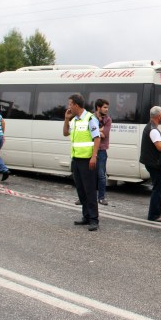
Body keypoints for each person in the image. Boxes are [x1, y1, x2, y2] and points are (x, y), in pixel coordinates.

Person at [63, 94, 101, 232]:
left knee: (90, 190)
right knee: (81, 189)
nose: (69, 107)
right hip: (76, 159)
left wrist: (94, 157)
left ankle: (94, 219)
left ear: (76, 105)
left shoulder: (90, 118)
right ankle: (86, 216)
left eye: (70, 104)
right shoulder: (74, 120)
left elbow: (97, 138)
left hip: (87, 160)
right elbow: (65, 133)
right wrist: (66, 119)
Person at [139, 106, 161, 223]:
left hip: (151, 161)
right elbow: (160, 147)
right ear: (159, 115)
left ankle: (157, 209)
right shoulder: (153, 130)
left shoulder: (151, 126)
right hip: (154, 162)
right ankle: (153, 214)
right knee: (158, 187)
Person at [95, 98, 111, 205]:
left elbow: (104, 134)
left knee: (101, 175)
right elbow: (88, 131)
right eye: (104, 107)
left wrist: (97, 130)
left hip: (101, 150)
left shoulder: (108, 119)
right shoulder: (91, 117)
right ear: (98, 107)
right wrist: (98, 130)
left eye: (107, 107)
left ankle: (101, 197)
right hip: (90, 149)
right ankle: (85, 197)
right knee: (89, 175)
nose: (106, 110)